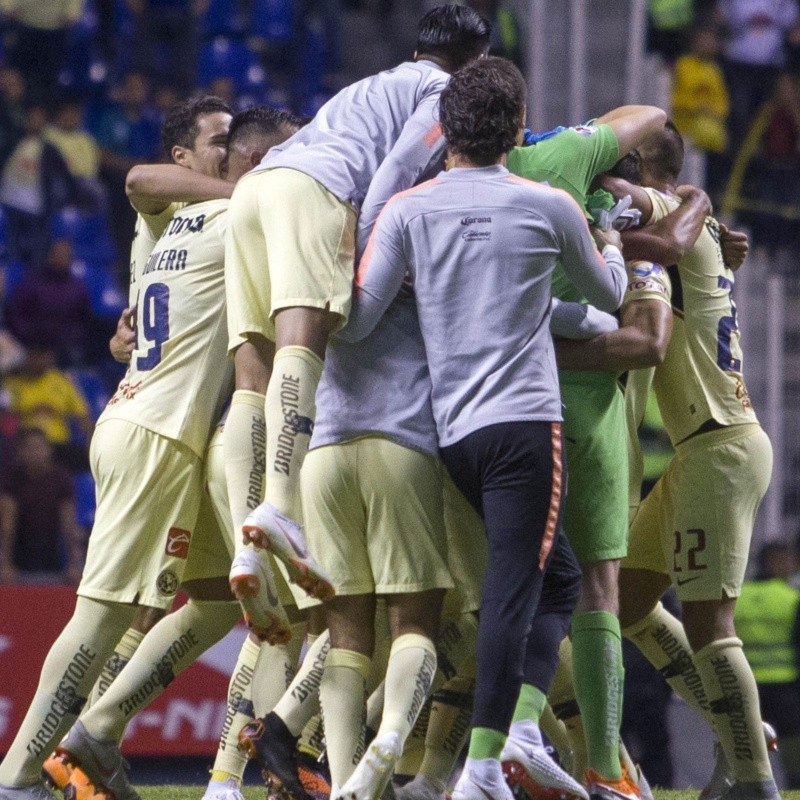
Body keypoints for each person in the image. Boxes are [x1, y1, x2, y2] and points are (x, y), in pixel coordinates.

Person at [342, 55, 627, 800]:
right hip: (526, 426)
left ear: (448, 128)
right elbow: (610, 294)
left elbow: (362, 316)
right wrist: (619, 242)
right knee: (514, 589)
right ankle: (481, 767)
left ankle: (518, 735)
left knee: (552, 578)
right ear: (516, 125)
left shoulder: (408, 209)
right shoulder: (546, 205)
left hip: (452, 432)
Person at [223, 5, 492, 644]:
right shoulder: (442, 92)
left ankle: (249, 543)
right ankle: (281, 511)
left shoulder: (368, 85)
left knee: (251, 371)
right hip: (315, 192)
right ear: (474, 60)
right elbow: (398, 170)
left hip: (254, 195)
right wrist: (372, 252)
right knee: (301, 342)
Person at [0, 95, 235, 800]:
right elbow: (137, 177)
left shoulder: (170, 223)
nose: (231, 150)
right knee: (104, 613)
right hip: (158, 430)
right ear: (183, 157)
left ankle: (96, 735)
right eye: (217, 140)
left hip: (164, 427)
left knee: (218, 598)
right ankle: (19, 776)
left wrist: (120, 341)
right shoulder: (222, 209)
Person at [557, 122, 780, 800]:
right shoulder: (691, 218)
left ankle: (752, 778)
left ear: (645, 168)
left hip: (720, 445)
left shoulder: (662, 207)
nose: (604, 182)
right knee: (624, 607)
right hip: (704, 448)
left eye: (616, 168)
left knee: (713, 624)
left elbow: (645, 229)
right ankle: (738, 724)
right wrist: (702, 207)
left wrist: (692, 201)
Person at [505, 103, 669, 796]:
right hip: (589, 412)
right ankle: (605, 764)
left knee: (502, 587)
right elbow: (646, 342)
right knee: (599, 590)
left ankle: (490, 747)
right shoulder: (631, 227)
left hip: (499, 404)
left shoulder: (494, 174)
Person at [735, 541, 800, 788]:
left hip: (746, 687)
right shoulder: (792, 598)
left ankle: (750, 786)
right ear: (778, 563)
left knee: (747, 748)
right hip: (787, 688)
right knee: (793, 750)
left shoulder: (739, 597)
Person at [0, 427, 83, 585]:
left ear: (49, 450)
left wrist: (73, 564)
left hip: (53, 564)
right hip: (18, 567)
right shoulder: (13, 480)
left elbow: (69, 525)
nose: (34, 452)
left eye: (39, 447)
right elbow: (7, 527)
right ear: (21, 452)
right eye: (29, 447)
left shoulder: (61, 479)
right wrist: (5, 565)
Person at [5, 238, 92, 366]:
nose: (63, 258)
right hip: (34, 345)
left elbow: (84, 319)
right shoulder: (32, 284)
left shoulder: (77, 287)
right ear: (50, 255)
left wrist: (72, 336)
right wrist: (31, 336)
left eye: (66, 255)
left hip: (67, 346)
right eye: (59, 254)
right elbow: (15, 315)